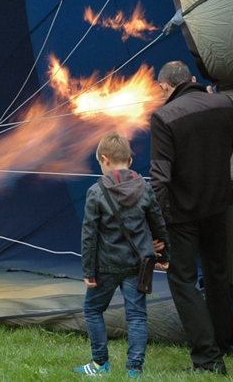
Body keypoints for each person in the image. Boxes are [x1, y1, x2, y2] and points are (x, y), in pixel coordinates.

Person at [150, 61, 233, 374]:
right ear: (192, 80)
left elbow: (159, 178)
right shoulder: (222, 103)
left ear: (166, 88)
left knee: (182, 281)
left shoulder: (163, 116)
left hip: (182, 214)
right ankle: (222, 341)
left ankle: (208, 360)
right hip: (218, 206)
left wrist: (158, 226)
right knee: (217, 273)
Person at [75, 132, 170, 377]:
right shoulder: (145, 188)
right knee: (137, 316)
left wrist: (88, 270)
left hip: (105, 267)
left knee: (93, 310)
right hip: (137, 265)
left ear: (104, 159)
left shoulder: (95, 192)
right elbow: (158, 224)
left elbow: (89, 235)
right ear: (129, 161)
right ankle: (134, 370)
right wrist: (165, 254)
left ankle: (99, 364)